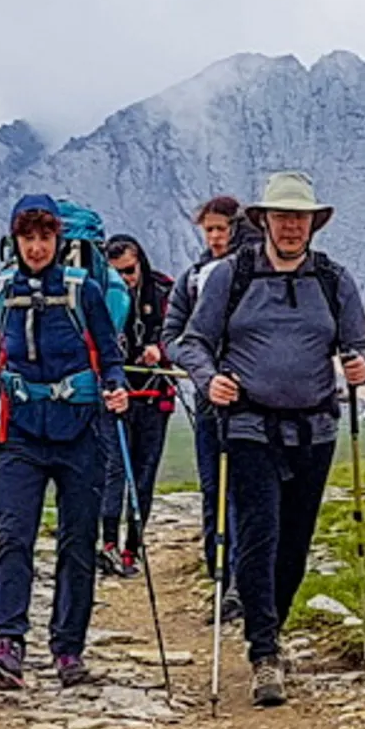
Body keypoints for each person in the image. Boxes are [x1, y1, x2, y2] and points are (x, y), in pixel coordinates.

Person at [170, 170, 365, 707]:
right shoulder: (230, 276)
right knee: (258, 536)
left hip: (315, 429)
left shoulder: (333, 279)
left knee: (295, 544)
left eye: (300, 218)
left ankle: (271, 629)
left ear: (313, 224)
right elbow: (192, 342)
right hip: (247, 426)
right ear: (263, 221)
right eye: (282, 217)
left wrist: (361, 365)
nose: (291, 227)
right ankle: (264, 650)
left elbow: (361, 344)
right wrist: (206, 377)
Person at [0, 195, 128, 693]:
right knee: (13, 536)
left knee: (77, 543)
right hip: (20, 436)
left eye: (45, 237)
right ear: (14, 242)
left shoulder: (84, 292)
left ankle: (68, 650)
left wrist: (116, 388)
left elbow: (110, 354)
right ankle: (5, 644)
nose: (36, 247)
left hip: (81, 433)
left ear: (59, 241)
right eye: (27, 237)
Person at [161, 194, 241, 577]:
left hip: (251, 398)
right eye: (208, 229)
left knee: (245, 490)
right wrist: (202, 369)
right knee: (213, 486)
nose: (214, 237)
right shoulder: (193, 277)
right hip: (209, 396)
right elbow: (172, 336)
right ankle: (218, 569)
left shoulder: (257, 272)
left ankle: (245, 576)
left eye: (220, 228)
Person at [100, 232, 175, 575]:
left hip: (154, 397)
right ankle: (108, 543)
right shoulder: (98, 293)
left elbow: (184, 334)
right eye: (117, 273)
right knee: (113, 469)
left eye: (130, 271)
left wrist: (160, 349)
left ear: (141, 264)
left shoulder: (164, 290)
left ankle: (134, 546)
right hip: (115, 397)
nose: (125, 281)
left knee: (144, 475)